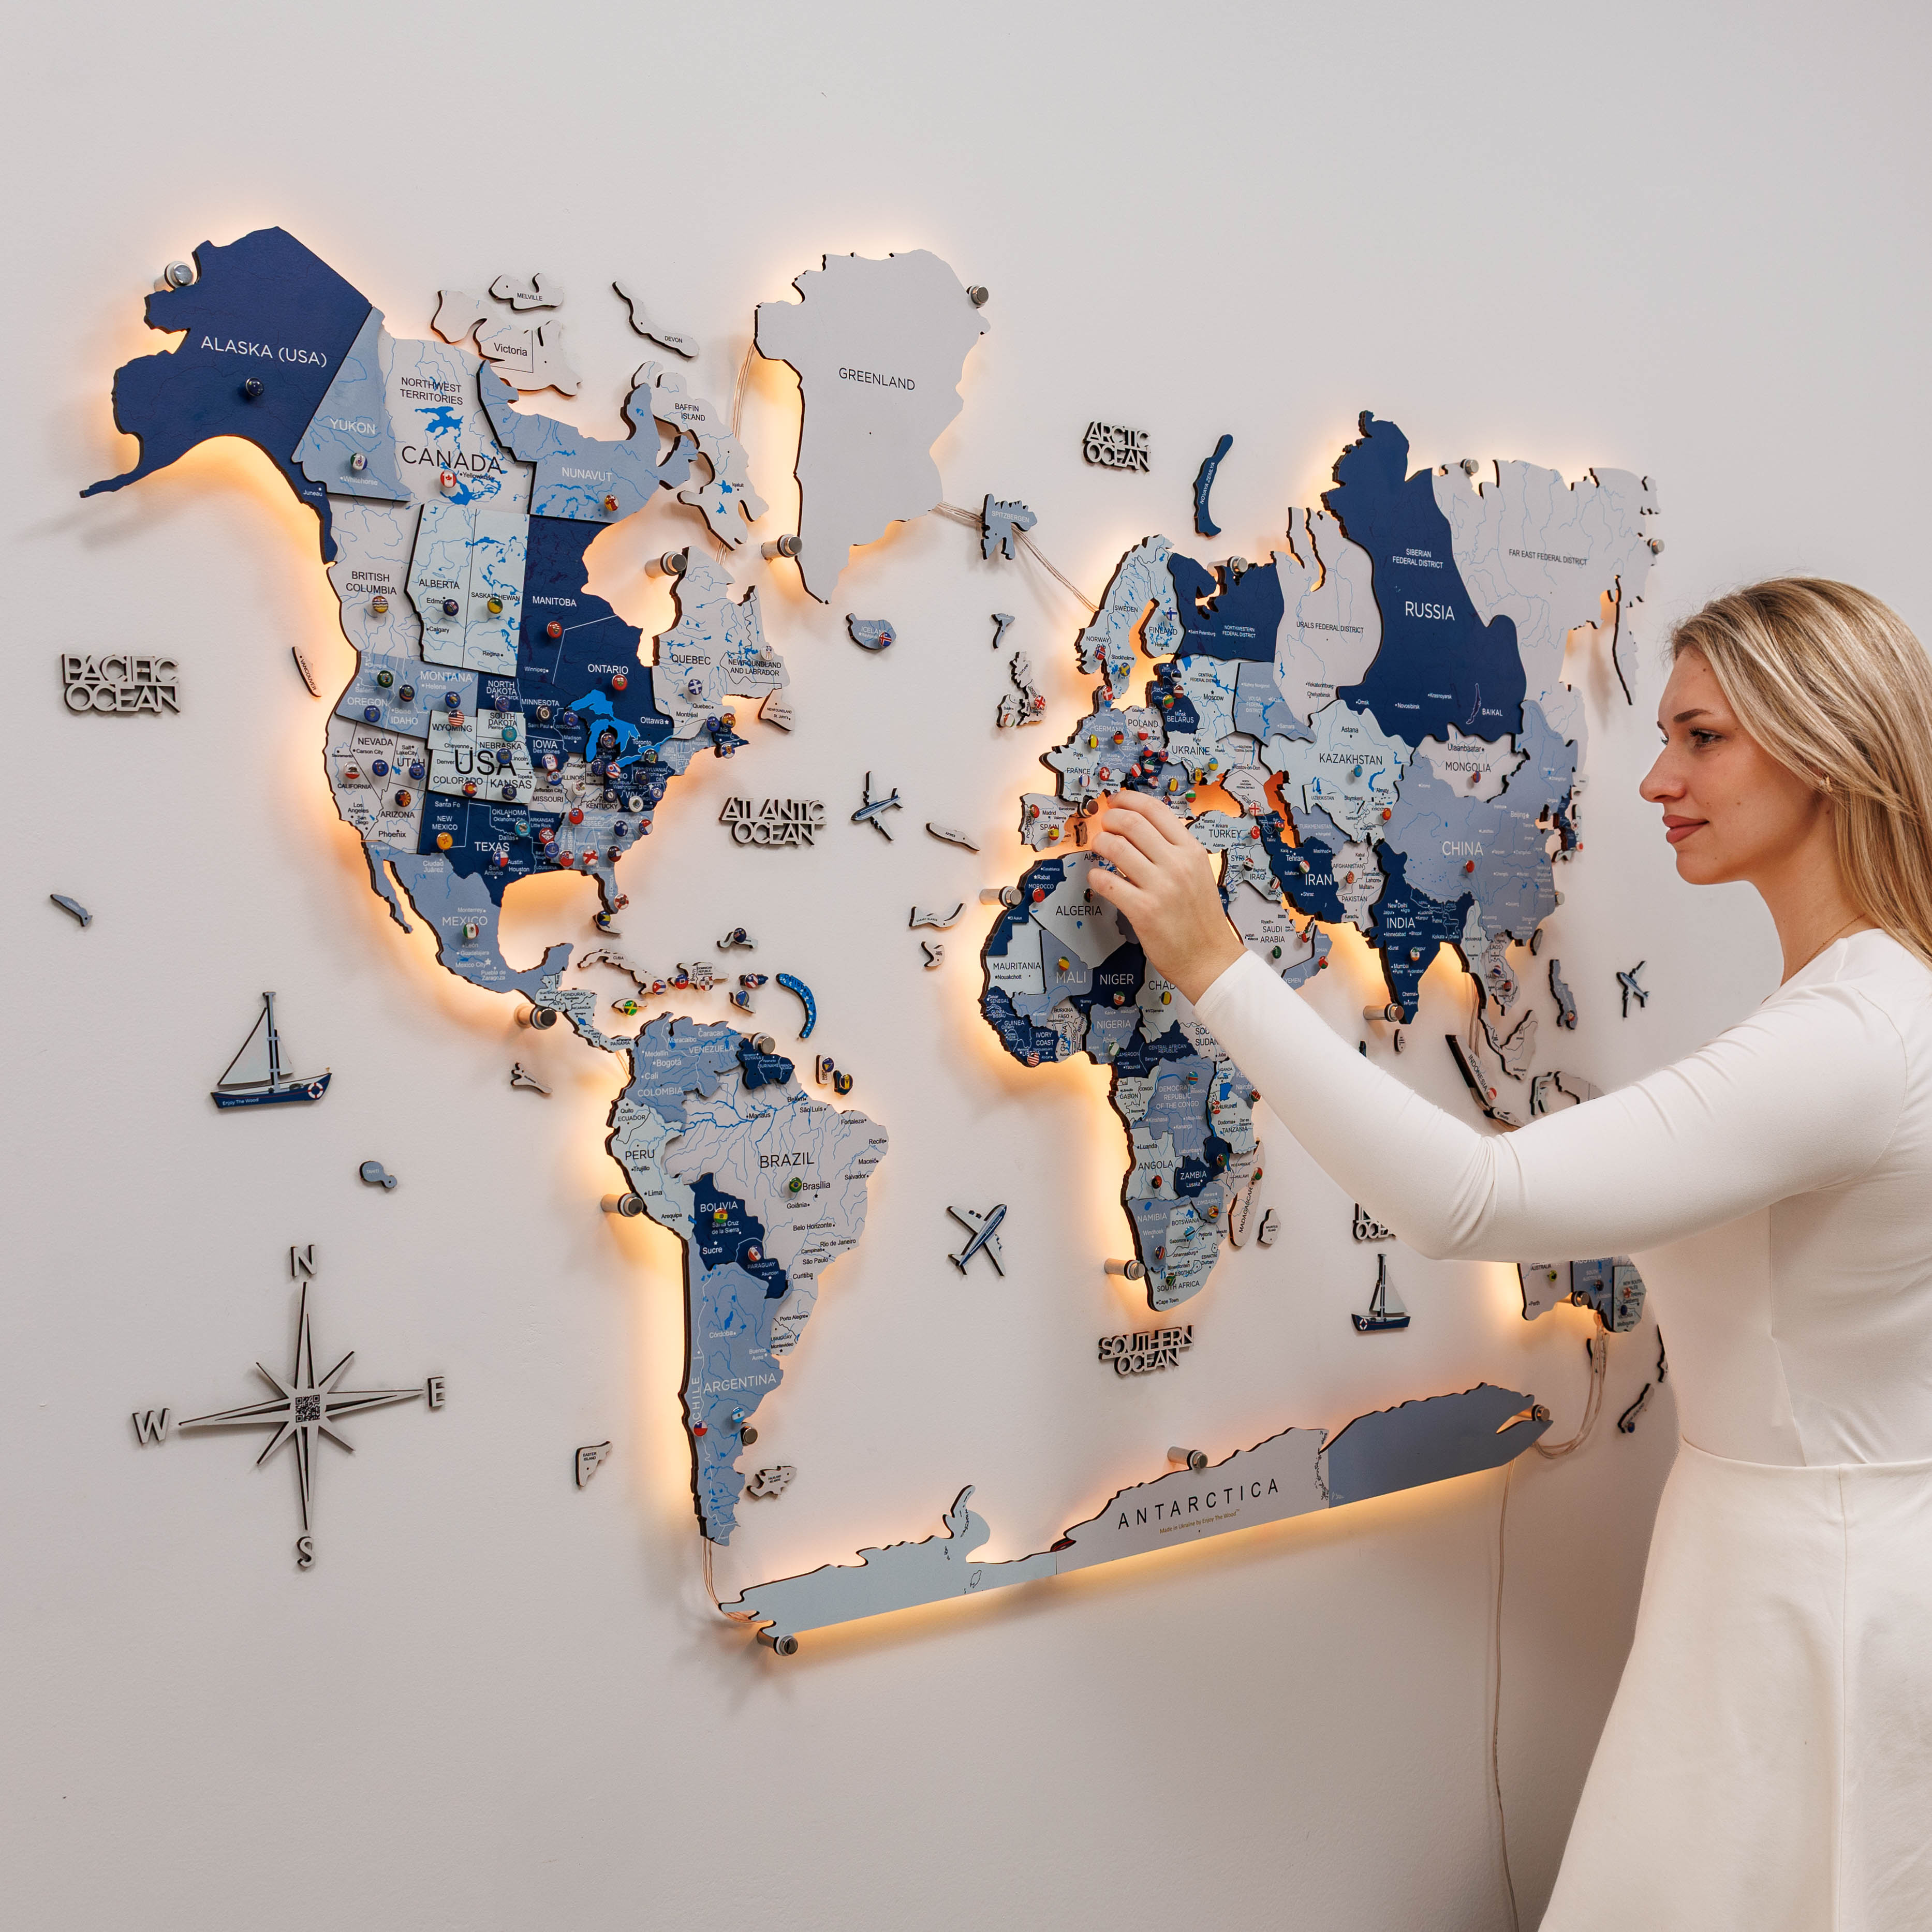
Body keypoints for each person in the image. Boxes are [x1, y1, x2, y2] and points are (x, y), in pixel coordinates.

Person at [1086, 579, 1932, 1930]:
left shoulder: (1850, 1041)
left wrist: (1217, 967)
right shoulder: (1888, 1005)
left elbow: (1470, 1201)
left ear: (1824, 743)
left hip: (1804, 1599)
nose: (1659, 777)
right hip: (1819, 1566)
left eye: (1703, 737)